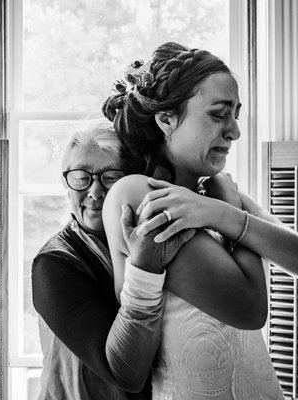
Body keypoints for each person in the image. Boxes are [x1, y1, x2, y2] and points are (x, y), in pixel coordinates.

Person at [31, 118, 267, 400]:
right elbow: (124, 375)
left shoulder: (167, 228)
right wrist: (145, 269)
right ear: (66, 183)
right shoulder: (53, 264)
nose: (94, 192)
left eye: (110, 177)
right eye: (81, 177)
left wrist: (226, 214)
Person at [102, 42, 288, 398]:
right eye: (219, 114)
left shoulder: (219, 195)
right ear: (166, 119)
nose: (234, 131)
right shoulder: (139, 195)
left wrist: (221, 212)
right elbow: (249, 309)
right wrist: (226, 211)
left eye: (236, 114)